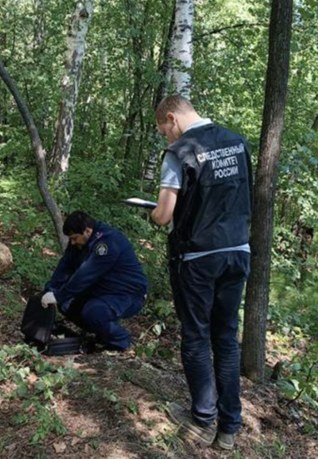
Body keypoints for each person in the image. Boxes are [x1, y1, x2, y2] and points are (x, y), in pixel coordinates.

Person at [150, 95, 252, 450]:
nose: (167, 137)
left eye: (165, 130)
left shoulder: (180, 152)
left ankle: (203, 420)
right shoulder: (237, 142)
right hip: (237, 252)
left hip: (198, 257)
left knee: (196, 336)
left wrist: (153, 212)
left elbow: (164, 215)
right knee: (225, 338)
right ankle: (229, 428)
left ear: (172, 118)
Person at [42, 211, 148, 351]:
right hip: (102, 290)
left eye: (74, 238)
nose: (72, 242)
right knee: (66, 303)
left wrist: (58, 295)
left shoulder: (108, 242)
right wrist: (51, 290)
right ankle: (101, 332)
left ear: (87, 230)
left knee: (93, 313)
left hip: (127, 294)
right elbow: (65, 265)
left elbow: (86, 275)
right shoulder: (79, 242)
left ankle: (121, 340)